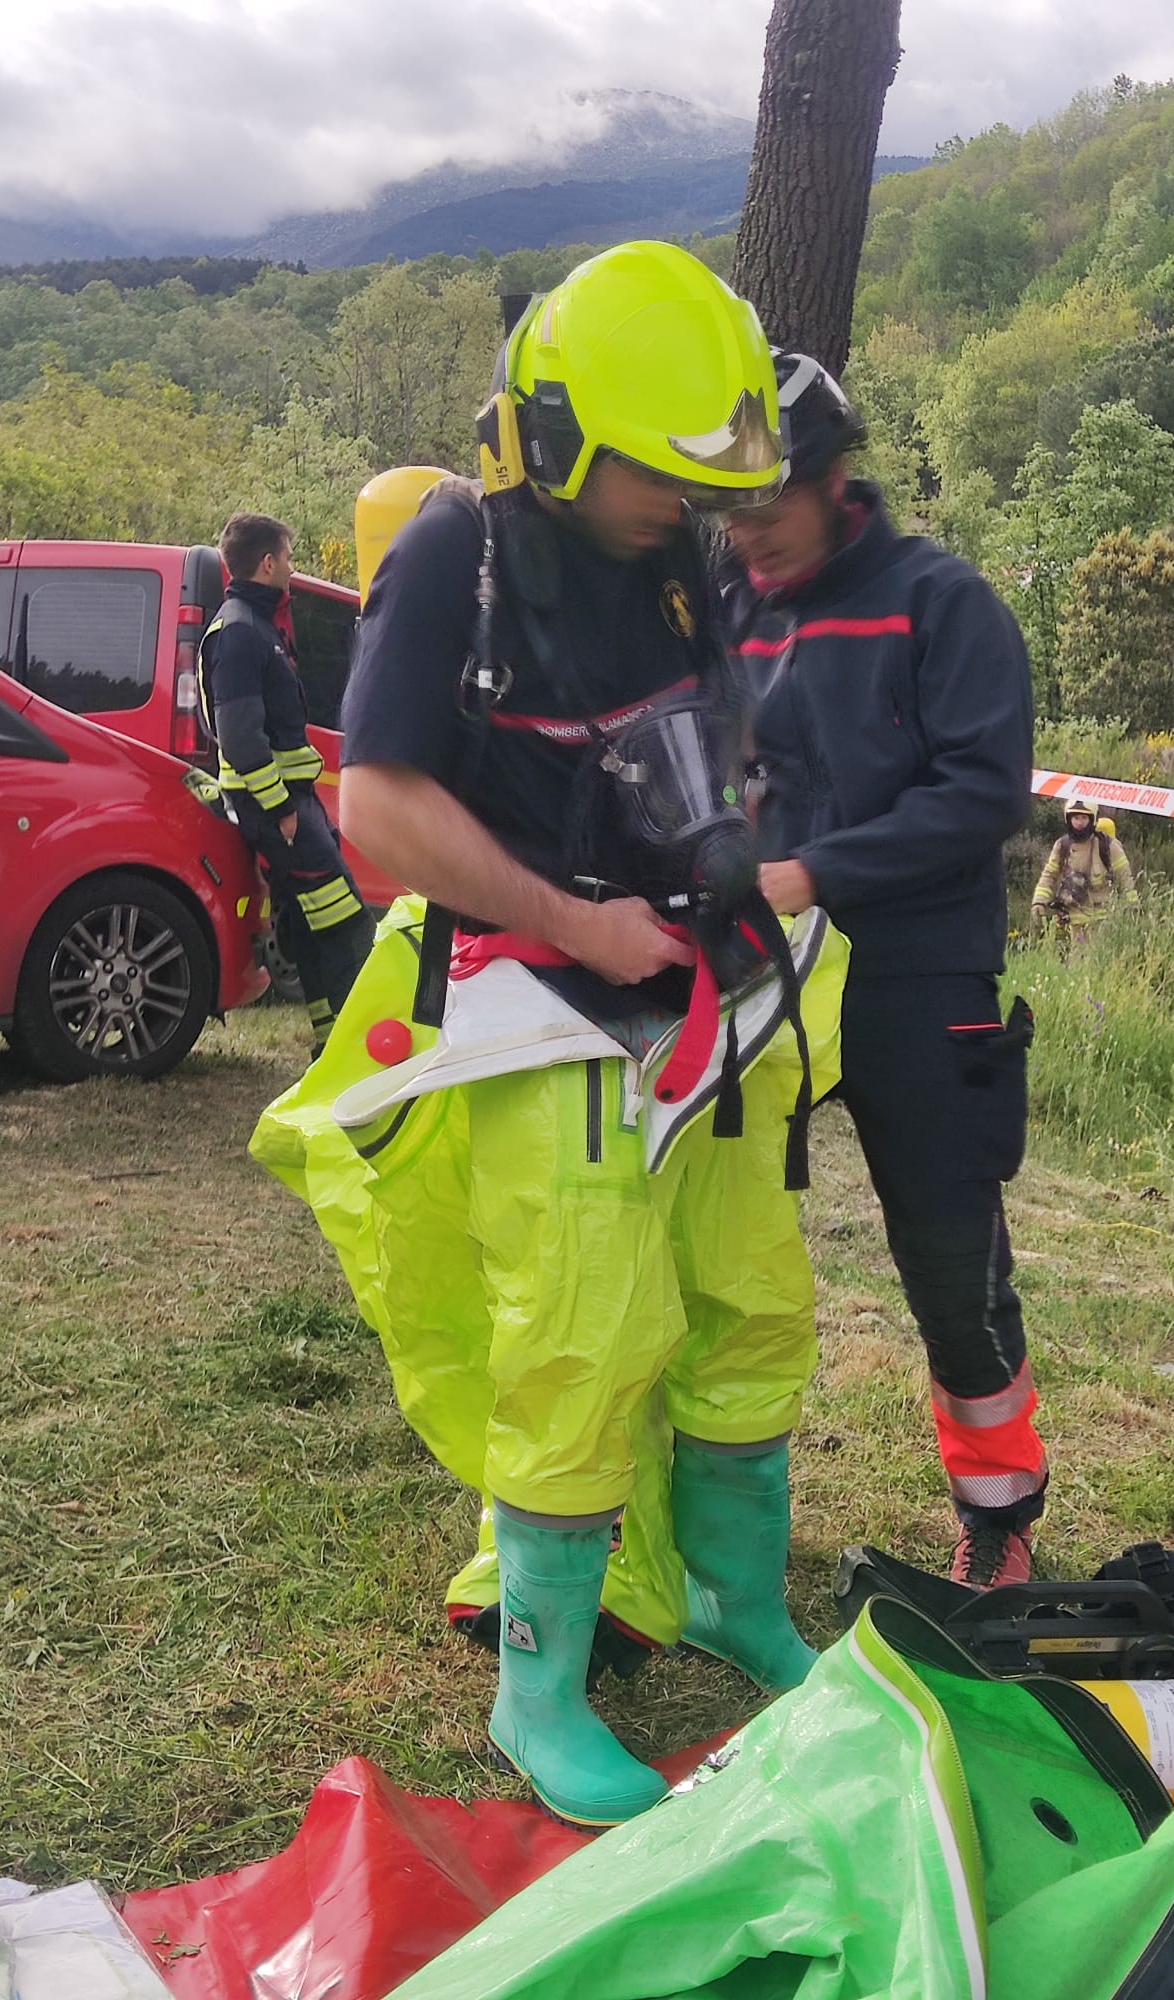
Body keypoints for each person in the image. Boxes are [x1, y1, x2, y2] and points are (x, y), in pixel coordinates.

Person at [331, 243, 843, 1829]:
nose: (676, 503)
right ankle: (536, 1692)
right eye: (651, 474)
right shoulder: (453, 554)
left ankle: (733, 1602)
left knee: (750, 1297)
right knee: (583, 1332)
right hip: (531, 998)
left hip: (701, 985)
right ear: (552, 434)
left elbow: (713, 738)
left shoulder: (680, 550)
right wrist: (575, 920)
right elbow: (380, 804)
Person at [721, 350, 1048, 1592]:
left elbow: (984, 793)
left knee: (952, 1265)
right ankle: (710, 1515)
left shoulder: (941, 600)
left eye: (768, 504)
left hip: (918, 972)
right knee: (717, 1248)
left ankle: (999, 1517)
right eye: (728, 510)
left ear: (835, 476)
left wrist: (817, 872)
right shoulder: (732, 602)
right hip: (761, 970)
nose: (748, 534)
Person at [198, 513, 373, 1055]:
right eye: (289, 559)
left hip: (293, 806)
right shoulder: (240, 633)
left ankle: (330, 1043)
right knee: (347, 924)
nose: (293, 571)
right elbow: (241, 739)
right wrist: (281, 811)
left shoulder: (256, 625)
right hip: (279, 811)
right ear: (268, 563)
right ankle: (355, 1047)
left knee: (305, 924)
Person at [1030, 798, 1140, 948]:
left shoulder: (1108, 846)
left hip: (1103, 919)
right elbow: (1049, 875)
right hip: (1072, 921)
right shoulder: (1062, 846)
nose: (1079, 822)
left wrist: (1132, 905)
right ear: (1068, 819)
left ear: (1092, 819)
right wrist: (1039, 901)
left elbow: (1124, 876)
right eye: (1075, 818)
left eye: (1083, 818)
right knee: (1075, 966)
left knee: (1099, 963)